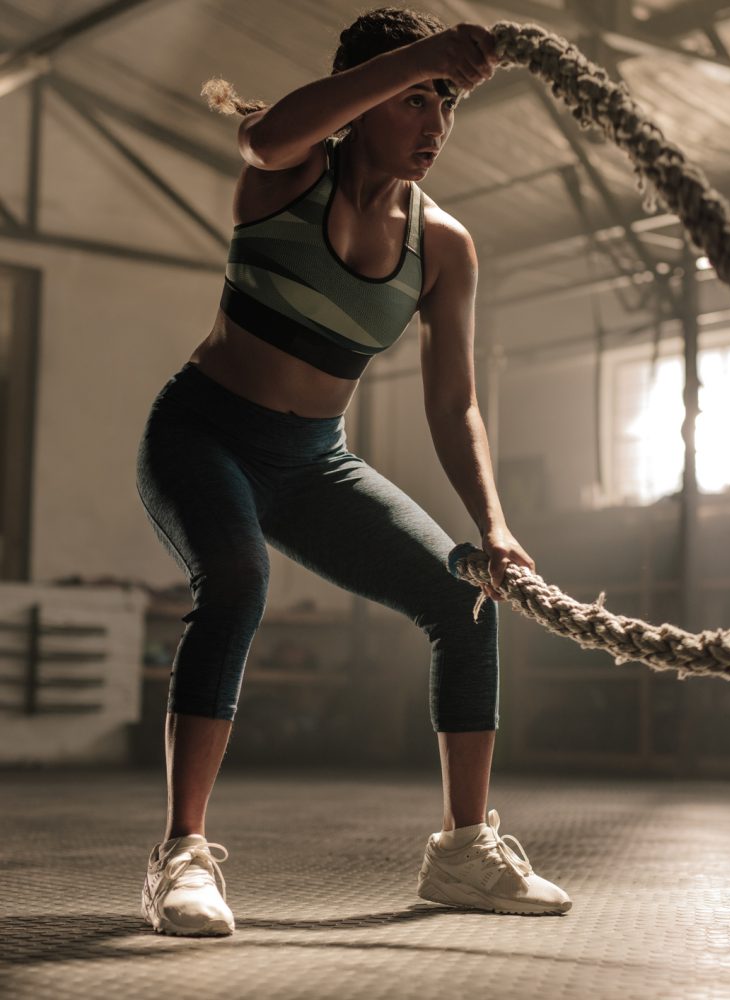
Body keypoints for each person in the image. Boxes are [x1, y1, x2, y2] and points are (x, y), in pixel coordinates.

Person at [134, 7, 571, 936]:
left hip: (311, 465)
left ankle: (462, 853)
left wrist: (492, 525)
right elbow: (263, 132)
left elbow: (453, 403)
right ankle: (182, 857)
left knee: (465, 598)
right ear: (364, 99)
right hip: (201, 435)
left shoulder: (443, 247)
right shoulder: (288, 176)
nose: (434, 126)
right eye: (414, 100)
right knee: (239, 580)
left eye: (445, 106)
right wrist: (425, 53)